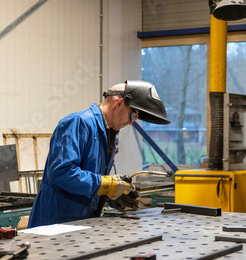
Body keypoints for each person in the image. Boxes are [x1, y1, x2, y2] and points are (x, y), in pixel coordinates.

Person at [28, 80, 170, 228]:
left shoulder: (108, 135)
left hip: (81, 224)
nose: (131, 123)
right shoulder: (78, 122)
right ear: (119, 102)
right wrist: (105, 185)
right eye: (132, 116)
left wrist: (113, 196)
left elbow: (91, 186)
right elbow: (60, 172)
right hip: (54, 223)